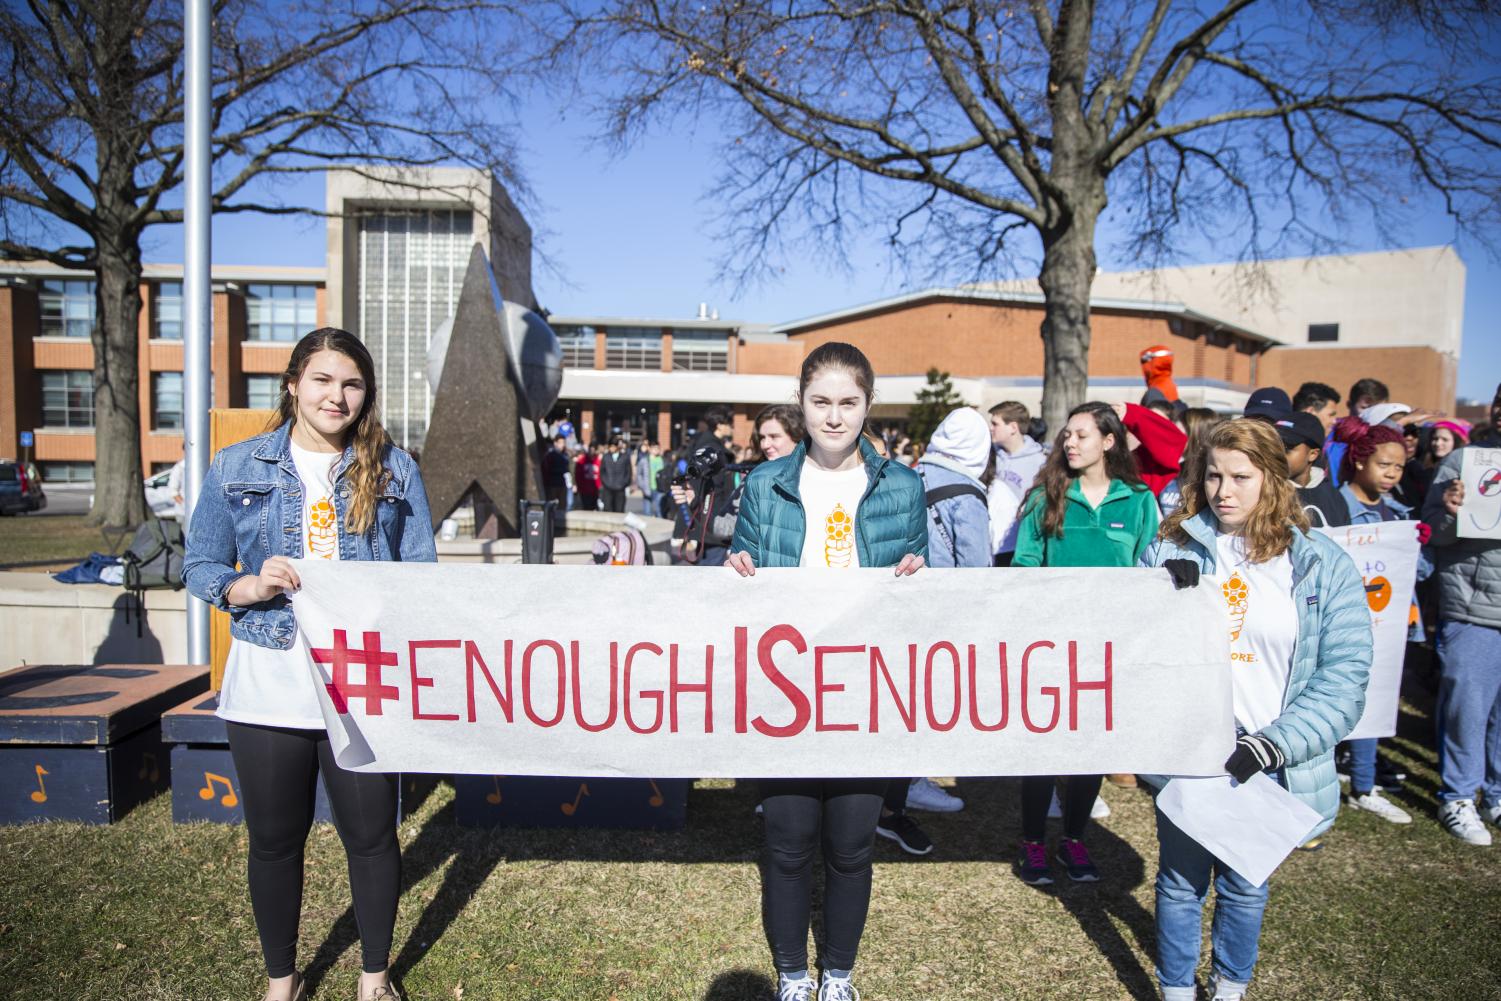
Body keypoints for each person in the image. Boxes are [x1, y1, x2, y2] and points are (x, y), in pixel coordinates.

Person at [183, 328, 436, 1001]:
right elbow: (201, 563)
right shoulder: (236, 466)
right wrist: (247, 587)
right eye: (322, 379)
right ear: (293, 382)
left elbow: (422, 576)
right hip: (268, 680)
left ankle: (374, 977)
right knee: (273, 838)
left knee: (371, 833)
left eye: (351, 383)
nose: (337, 395)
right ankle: (282, 980)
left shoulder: (394, 469)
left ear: (366, 393)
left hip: (361, 682)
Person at [1144, 418, 1371, 1001]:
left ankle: (1228, 990)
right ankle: (1175, 990)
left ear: (1274, 478)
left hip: (1272, 751)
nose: (1224, 491)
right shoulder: (1173, 546)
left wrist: (1274, 743)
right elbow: (1136, 652)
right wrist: (1160, 598)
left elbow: (1344, 677)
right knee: (1179, 882)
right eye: (1213, 475)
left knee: (1246, 884)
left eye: (1241, 477)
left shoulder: (1321, 562)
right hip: (1195, 747)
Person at [727, 341, 926, 1001]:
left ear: (868, 404)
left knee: (850, 844)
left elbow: (919, 585)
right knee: (786, 842)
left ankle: (836, 973)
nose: (834, 417)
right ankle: (790, 973)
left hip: (864, 689)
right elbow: (740, 566)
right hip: (785, 686)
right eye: (820, 402)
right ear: (801, 402)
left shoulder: (902, 485)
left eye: (847, 402)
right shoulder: (764, 480)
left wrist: (918, 578)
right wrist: (736, 571)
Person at [1011, 402, 1160, 885]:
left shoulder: (1138, 500)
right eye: (1066, 436)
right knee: (1045, 749)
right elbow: (1024, 566)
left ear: (1109, 441)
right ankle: (1032, 844)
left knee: (1090, 750)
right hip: (1051, 648)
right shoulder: (1045, 496)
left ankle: (1073, 841)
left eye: (1081, 435)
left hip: (1109, 649)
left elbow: (1151, 567)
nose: (1070, 443)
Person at [1331, 417, 1429, 824]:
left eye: (1399, 467)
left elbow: (1419, 574)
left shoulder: (1398, 513)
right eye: (1383, 465)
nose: (1391, 474)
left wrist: (1418, 546)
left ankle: (1364, 784)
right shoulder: (1334, 508)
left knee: (1375, 695)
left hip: (1385, 625)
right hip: (1340, 625)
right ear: (1358, 461)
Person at [1421, 429, 1501, 846]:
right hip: (1473, 606)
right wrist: (1450, 511)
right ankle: (1458, 796)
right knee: (1466, 707)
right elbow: (1430, 531)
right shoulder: (1467, 464)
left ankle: (1497, 794)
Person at [987, 401, 1048, 567]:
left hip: (1021, 543)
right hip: (991, 542)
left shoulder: (1040, 461)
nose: (991, 428)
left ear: (1013, 427)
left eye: (995, 424)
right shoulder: (989, 456)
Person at [1274, 412, 1347, 528]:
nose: (1278, 454)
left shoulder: (1333, 498)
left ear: (1313, 454)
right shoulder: (1266, 492)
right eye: (1274, 446)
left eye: (1287, 449)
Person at [1115, 399, 1188, 497]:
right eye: (1149, 418)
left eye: (1157, 422)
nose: (1149, 427)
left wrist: (1132, 414)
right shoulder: (1119, 450)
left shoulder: (1159, 463)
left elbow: (1175, 441)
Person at [1158, 407, 1222, 519]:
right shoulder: (1170, 472)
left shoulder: (1212, 478)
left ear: (1198, 436)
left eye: (1177, 433)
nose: (1170, 438)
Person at [599, 437, 632, 513]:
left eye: (613, 446)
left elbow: (628, 472)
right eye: (610, 446)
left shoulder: (625, 457)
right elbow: (602, 472)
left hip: (620, 488)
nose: (612, 448)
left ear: (617, 446)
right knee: (607, 510)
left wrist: (624, 483)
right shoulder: (606, 457)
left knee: (619, 510)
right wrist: (606, 482)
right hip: (608, 488)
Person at [542, 435, 570, 513]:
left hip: (562, 483)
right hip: (552, 484)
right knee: (551, 506)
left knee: (562, 506)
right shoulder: (550, 455)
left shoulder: (565, 455)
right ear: (555, 443)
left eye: (563, 442)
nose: (562, 445)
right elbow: (546, 470)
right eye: (560, 443)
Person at [574, 442, 601, 511]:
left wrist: (599, 486)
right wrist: (579, 486)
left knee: (594, 507)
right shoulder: (582, 460)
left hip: (595, 490)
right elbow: (578, 475)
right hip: (584, 489)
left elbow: (601, 475)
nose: (592, 452)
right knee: (585, 508)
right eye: (590, 450)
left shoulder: (598, 461)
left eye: (593, 450)